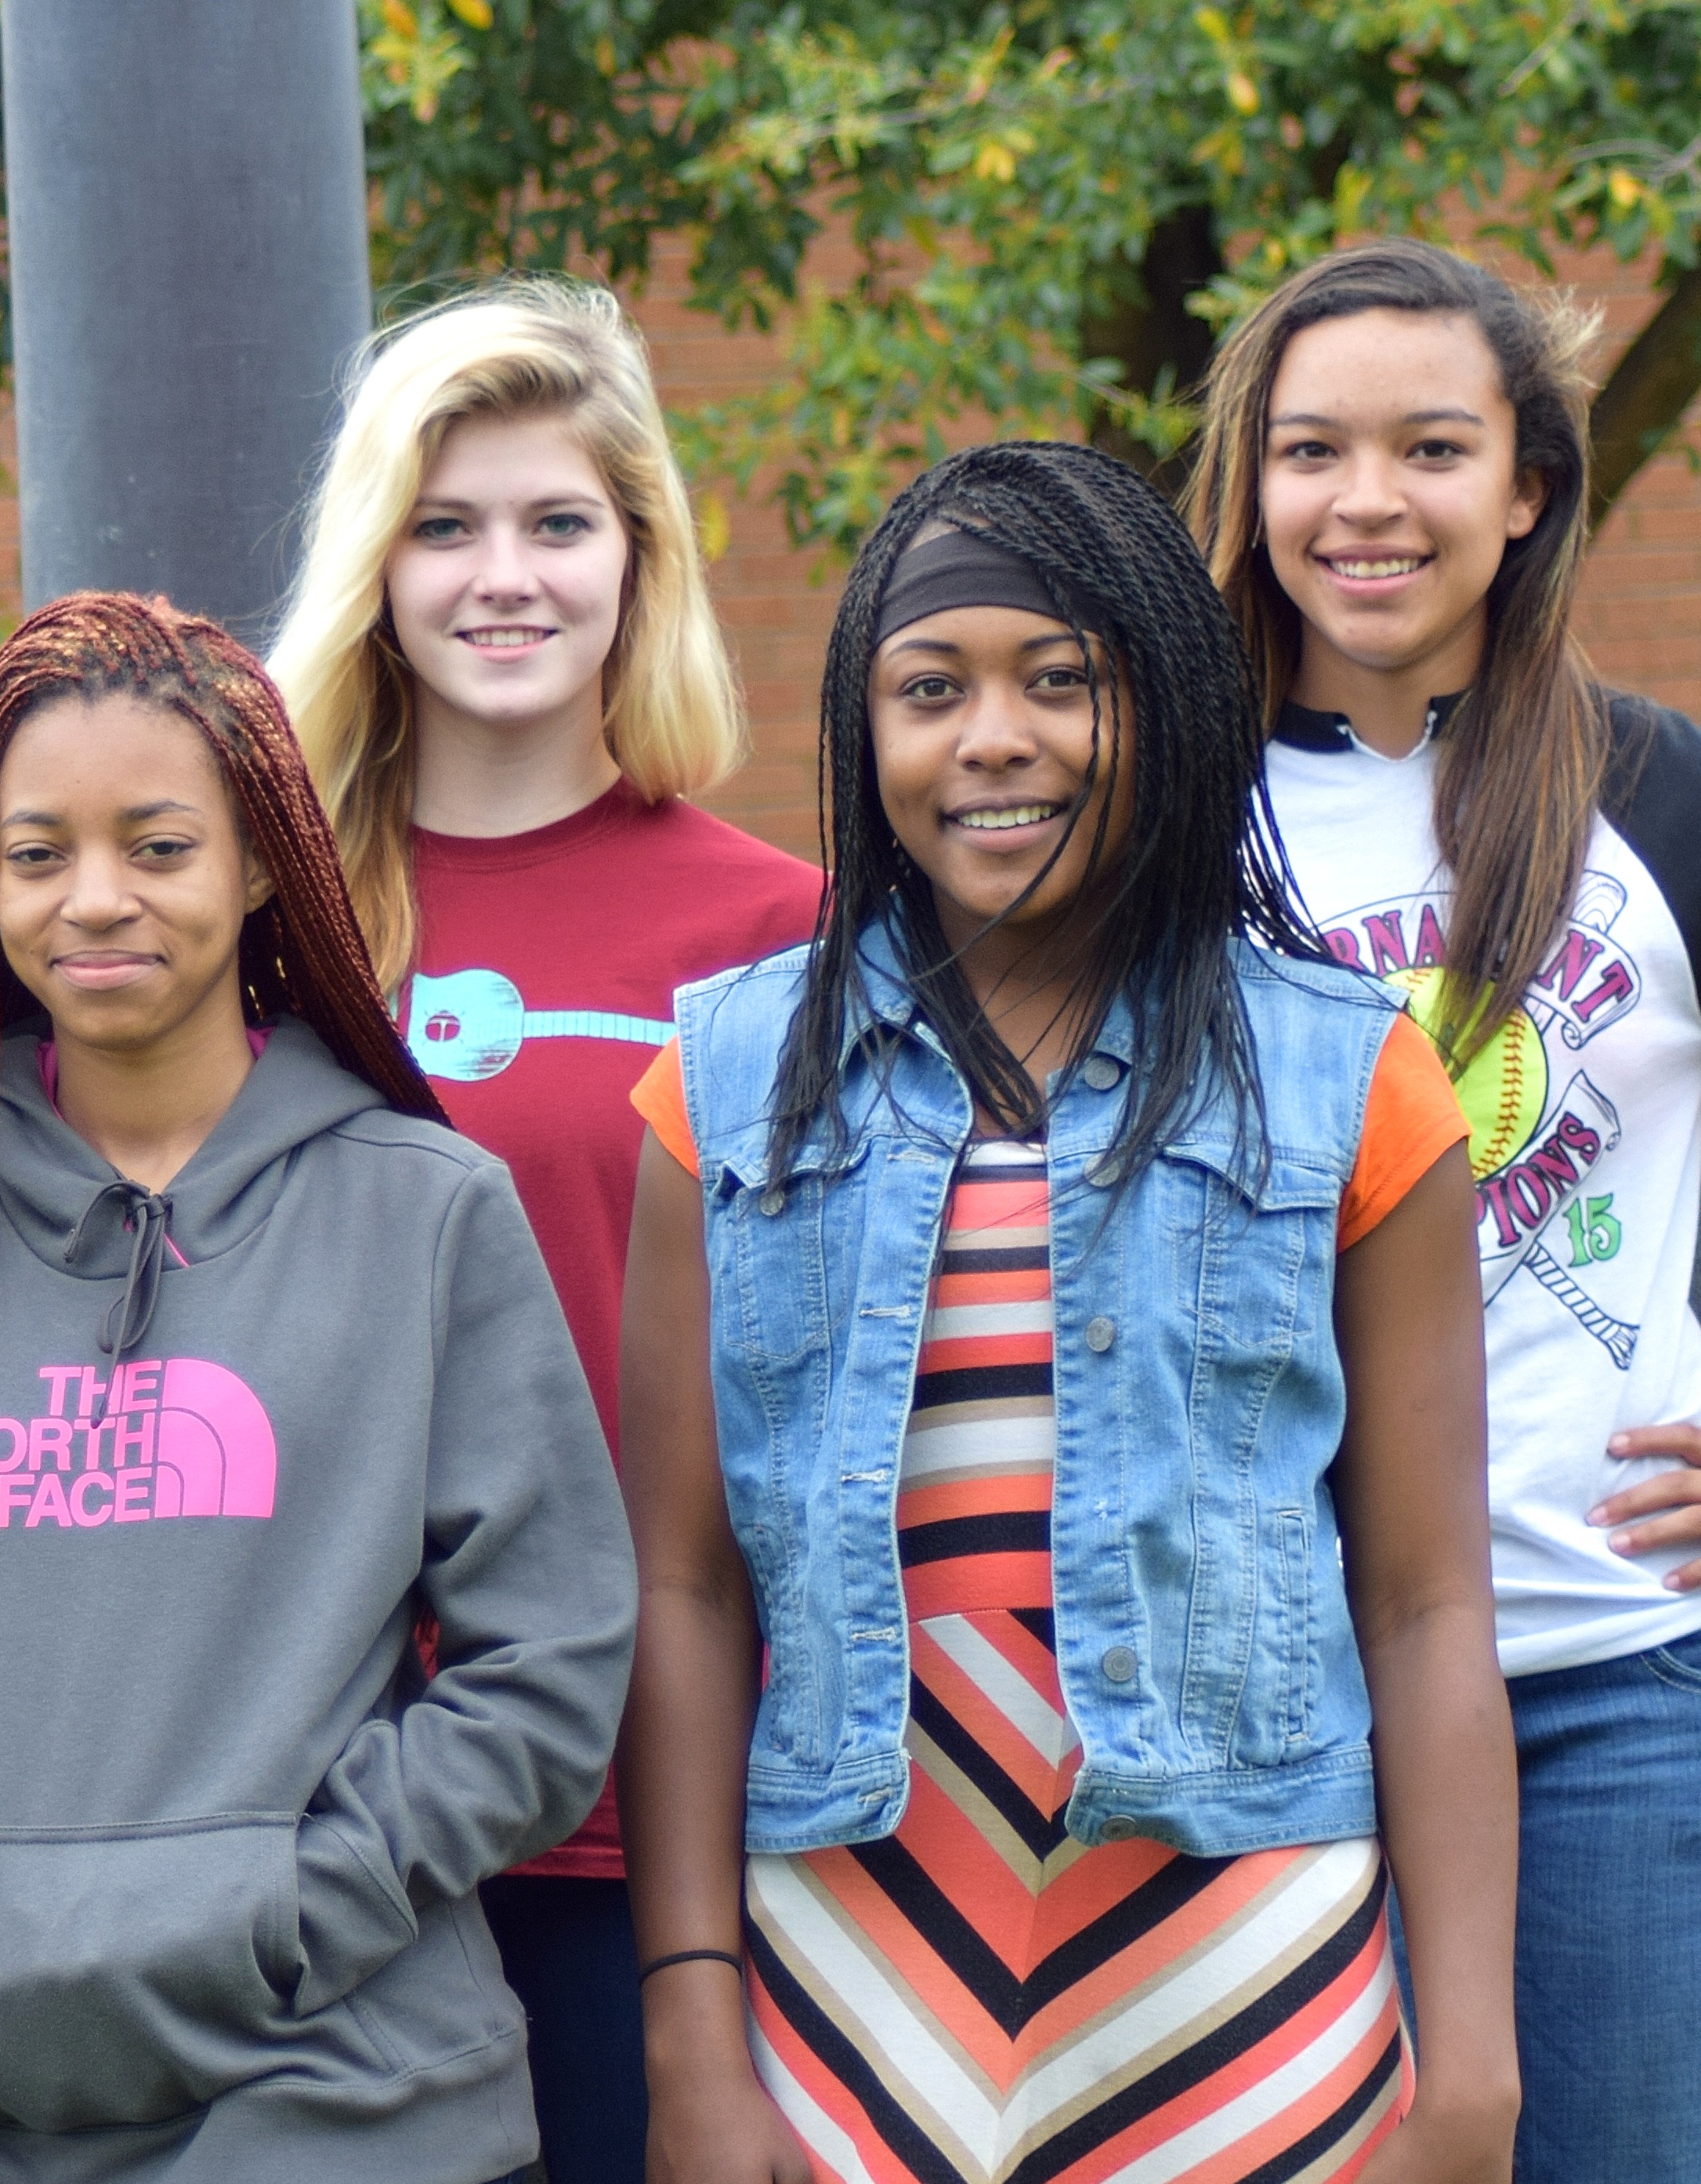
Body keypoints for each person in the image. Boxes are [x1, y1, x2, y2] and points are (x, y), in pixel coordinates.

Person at [620, 443, 1519, 2183]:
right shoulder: (723, 1084)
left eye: (1060, 680)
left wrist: (1470, 2067)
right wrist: (688, 2039)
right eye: (929, 689)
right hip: (851, 1959)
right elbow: (683, 1589)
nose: (992, 737)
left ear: (1165, 707)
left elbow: (1424, 1605)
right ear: (864, 733)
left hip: (1244, 1962)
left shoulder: (1352, 1077)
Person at [0, 590, 636, 2184]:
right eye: (37, 853)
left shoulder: (423, 1213)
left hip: (359, 2108)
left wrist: (292, 1911)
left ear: (261, 862)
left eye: (158, 846)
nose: (96, 899)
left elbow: (548, 1666)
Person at [270, 277, 819, 2183]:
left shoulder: (781, 934)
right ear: (377, 565)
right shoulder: (254, 921)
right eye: (445, 525)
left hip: (651, 1809)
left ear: (638, 556)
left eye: (557, 522)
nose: (503, 577)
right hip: (303, 1787)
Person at [1182, 236, 1701, 2184]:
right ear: (1253, 484)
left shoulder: (1658, 792)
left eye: (1431, 447)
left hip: (1614, 1673)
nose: (1368, 502)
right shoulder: (1165, 820)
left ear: (1529, 486)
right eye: (1313, 450)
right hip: (1262, 1697)